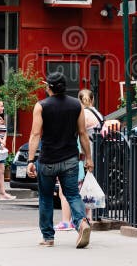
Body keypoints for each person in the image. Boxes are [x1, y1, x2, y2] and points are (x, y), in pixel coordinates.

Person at [27, 72, 93, 248]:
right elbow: (83, 134)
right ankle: (82, 223)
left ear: (49, 87)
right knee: (72, 194)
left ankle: (48, 237)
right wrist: (89, 158)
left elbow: (35, 134)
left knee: (46, 198)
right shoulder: (76, 105)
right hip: (70, 158)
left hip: (47, 159)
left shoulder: (41, 106)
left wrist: (30, 160)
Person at [55, 88, 103, 230]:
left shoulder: (82, 115)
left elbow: (75, 134)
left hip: (78, 156)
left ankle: (66, 221)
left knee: (66, 190)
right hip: (93, 155)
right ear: (92, 99)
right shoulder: (97, 114)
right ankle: (88, 218)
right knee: (85, 188)